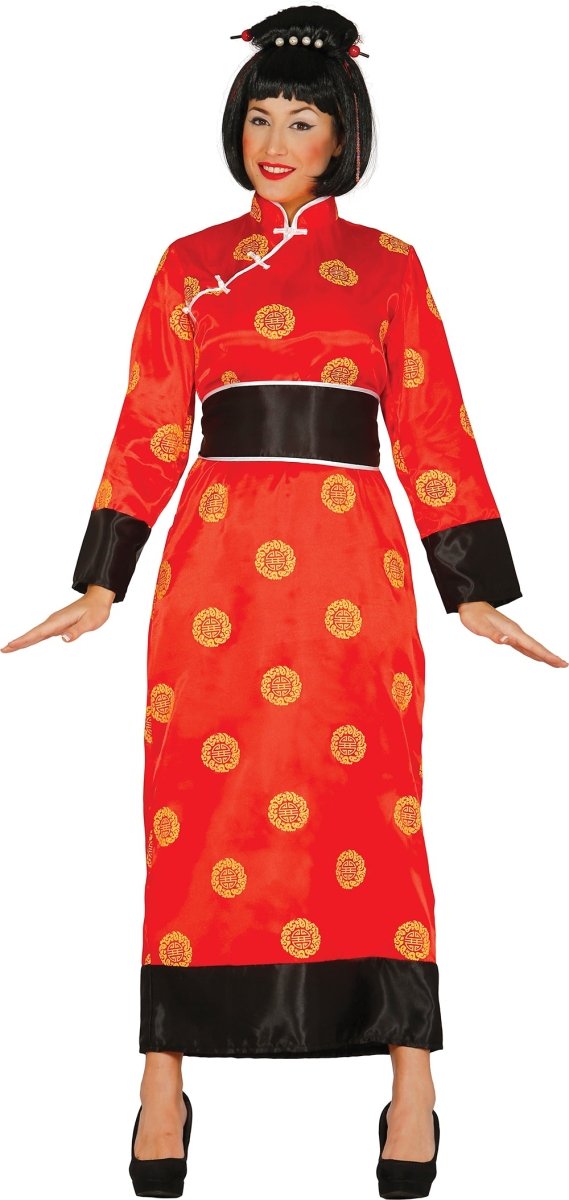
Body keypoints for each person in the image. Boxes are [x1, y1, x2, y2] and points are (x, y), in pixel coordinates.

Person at [2, 6, 567, 1199]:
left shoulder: (391, 266)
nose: (274, 142)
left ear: (340, 136)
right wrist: (101, 577)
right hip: (214, 567)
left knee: (376, 801)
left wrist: (472, 590)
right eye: (259, 117)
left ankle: (410, 1079)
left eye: (301, 121)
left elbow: (430, 425)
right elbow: (150, 425)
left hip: (351, 569)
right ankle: (162, 1075)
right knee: (193, 806)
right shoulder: (188, 263)